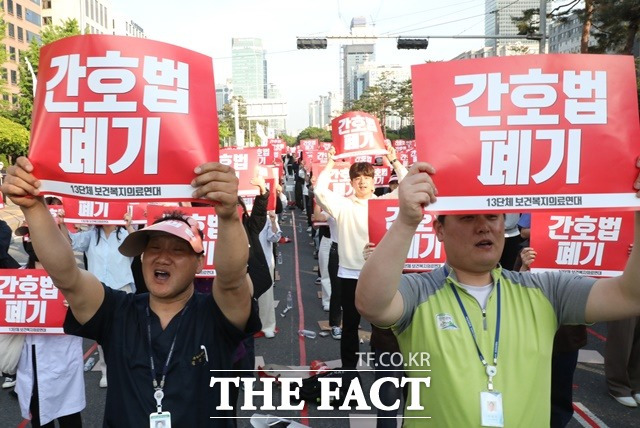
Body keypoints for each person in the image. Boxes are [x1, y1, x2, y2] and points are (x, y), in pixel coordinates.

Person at [356, 160, 640, 426]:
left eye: (493, 216)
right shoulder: (418, 291)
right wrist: (406, 221)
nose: (484, 226)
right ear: (439, 230)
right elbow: (371, 305)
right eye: (467, 218)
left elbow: (630, 296)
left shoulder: (547, 289)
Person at [2, 157, 260, 426]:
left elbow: (232, 279)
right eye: (154, 248)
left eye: (177, 250)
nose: (162, 258)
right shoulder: (117, 311)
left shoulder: (216, 315)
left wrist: (229, 215)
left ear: (199, 262)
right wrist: (33, 208)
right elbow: (67, 277)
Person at [314, 144, 407, 368]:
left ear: (374, 180)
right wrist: (329, 164)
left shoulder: (383, 202)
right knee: (350, 325)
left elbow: (407, 186)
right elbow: (319, 191)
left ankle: (381, 366)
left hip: (378, 272)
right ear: (351, 182)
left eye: (367, 177)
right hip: (348, 273)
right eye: (357, 178)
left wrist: (394, 161)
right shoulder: (343, 206)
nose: (362, 181)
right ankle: (349, 371)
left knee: (381, 324)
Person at [15, 229, 85, 427]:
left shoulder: (76, 279)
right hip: (30, 363)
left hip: (62, 360)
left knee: (69, 417)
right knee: (38, 417)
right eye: (31, 237)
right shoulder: (17, 278)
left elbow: (92, 317)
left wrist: (77, 305)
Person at [63, 214, 136, 388]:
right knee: (103, 335)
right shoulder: (91, 234)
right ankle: (106, 372)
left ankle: (129, 370)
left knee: (127, 333)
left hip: (122, 287)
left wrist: (129, 226)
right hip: (98, 291)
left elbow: (137, 250)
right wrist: (62, 223)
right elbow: (70, 242)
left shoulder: (125, 232)